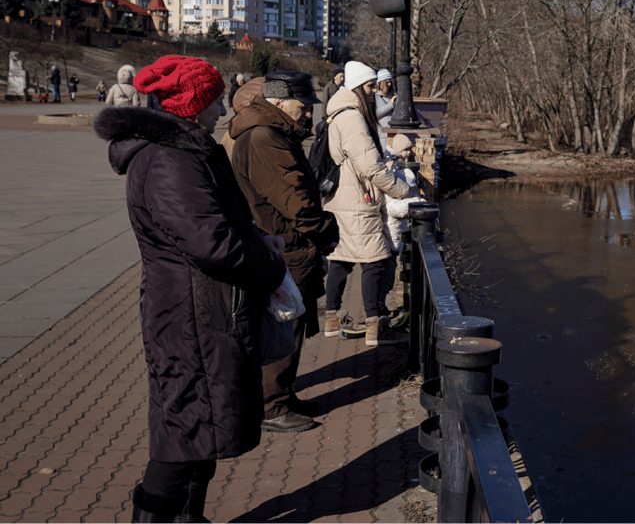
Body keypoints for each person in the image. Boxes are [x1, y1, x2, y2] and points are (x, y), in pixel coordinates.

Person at [93, 55, 287, 523]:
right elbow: (210, 241)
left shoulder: (185, 150)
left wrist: (258, 241)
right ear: (192, 104)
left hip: (202, 307)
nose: (221, 108)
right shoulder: (169, 158)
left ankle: (188, 519)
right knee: (183, 426)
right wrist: (271, 266)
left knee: (202, 423)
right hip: (190, 312)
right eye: (215, 98)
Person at [226, 70, 338, 433]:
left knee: (288, 326)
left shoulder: (269, 133)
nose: (309, 113)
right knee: (283, 329)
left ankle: (281, 396)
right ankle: (272, 405)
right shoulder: (264, 138)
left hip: (283, 246)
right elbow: (297, 203)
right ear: (277, 103)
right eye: (303, 106)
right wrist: (326, 229)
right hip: (283, 249)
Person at [321, 61, 415, 346]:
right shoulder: (352, 117)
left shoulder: (342, 112)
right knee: (376, 259)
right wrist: (404, 191)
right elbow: (371, 167)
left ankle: (332, 317)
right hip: (357, 200)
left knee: (341, 258)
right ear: (359, 88)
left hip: (342, 197)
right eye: (371, 86)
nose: (375, 91)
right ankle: (374, 325)